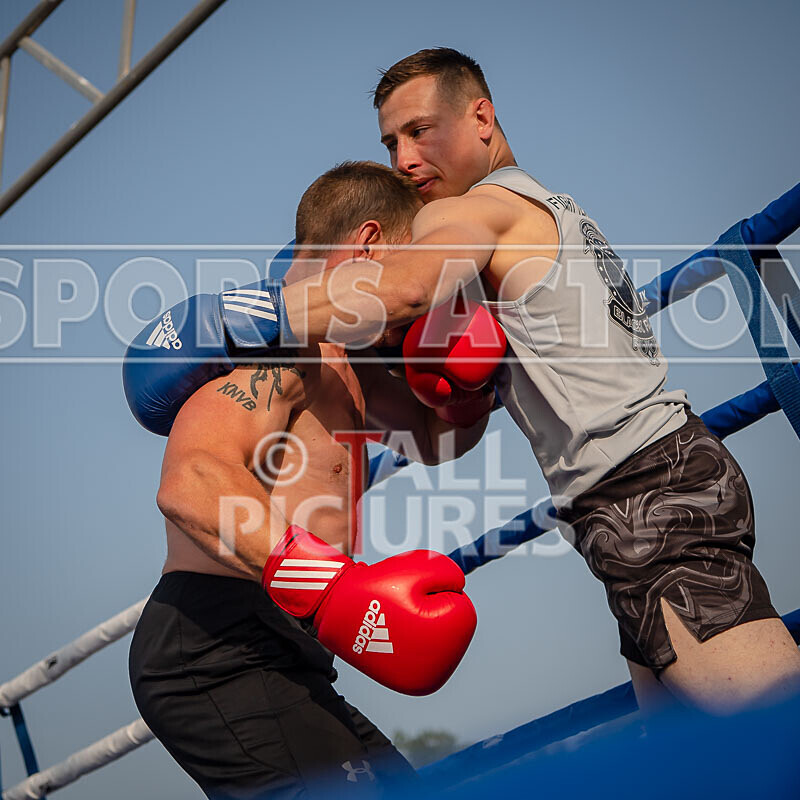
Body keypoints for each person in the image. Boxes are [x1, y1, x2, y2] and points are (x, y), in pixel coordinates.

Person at [124, 49, 800, 717]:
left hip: (642, 493)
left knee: (770, 736)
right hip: (637, 493)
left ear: (482, 117)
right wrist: (467, 394)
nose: (405, 159)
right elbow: (434, 435)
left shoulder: (471, 211)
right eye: (391, 142)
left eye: (421, 130)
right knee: (690, 766)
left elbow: (409, 287)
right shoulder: (550, 206)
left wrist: (240, 316)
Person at [128, 161, 497, 799]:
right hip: (218, 645)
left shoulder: (344, 361)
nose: (420, 293)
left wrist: (464, 390)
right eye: (412, 268)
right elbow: (190, 481)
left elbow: (436, 440)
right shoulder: (277, 351)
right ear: (370, 247)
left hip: (283, 644)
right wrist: (330, 589)